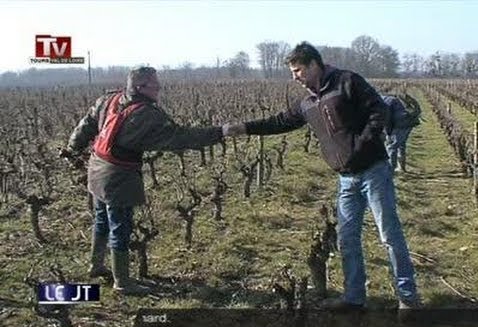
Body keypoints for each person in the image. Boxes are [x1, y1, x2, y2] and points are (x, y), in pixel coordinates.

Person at [223, 42, 420, 310]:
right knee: (347, 239)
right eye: (292, 72)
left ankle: (408, 297)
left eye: (299, 70)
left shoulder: (347, 81)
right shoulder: (307, 102)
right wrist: (244, 128)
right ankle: (354, 298)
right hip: (346, 179)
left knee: (388, 234)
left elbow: (378, 110)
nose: (295, 77)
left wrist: (361, 145)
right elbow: (280, 121)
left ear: (314, 65)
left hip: (373, 170)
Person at [62, 66, 225, 295]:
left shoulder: (109, 99)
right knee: (120, 226)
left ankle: (95, 266)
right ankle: (122, 282)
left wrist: (72, 149)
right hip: (118, 176)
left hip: (96, 168)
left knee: (101, 220)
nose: (159, 88)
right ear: (140, 87)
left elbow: (86, 125)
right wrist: (219, 132)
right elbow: (180, 136)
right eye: (154, 84)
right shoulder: (146, 114)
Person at [382, 93, 422, 172]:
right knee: (401, 144)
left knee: (391, 146)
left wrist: (388, 133)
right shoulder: (387, 99)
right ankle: (401, 168)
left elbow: (387, 119)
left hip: (402, 124)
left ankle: (390, 170)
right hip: (408, 122)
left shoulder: (384, 102)